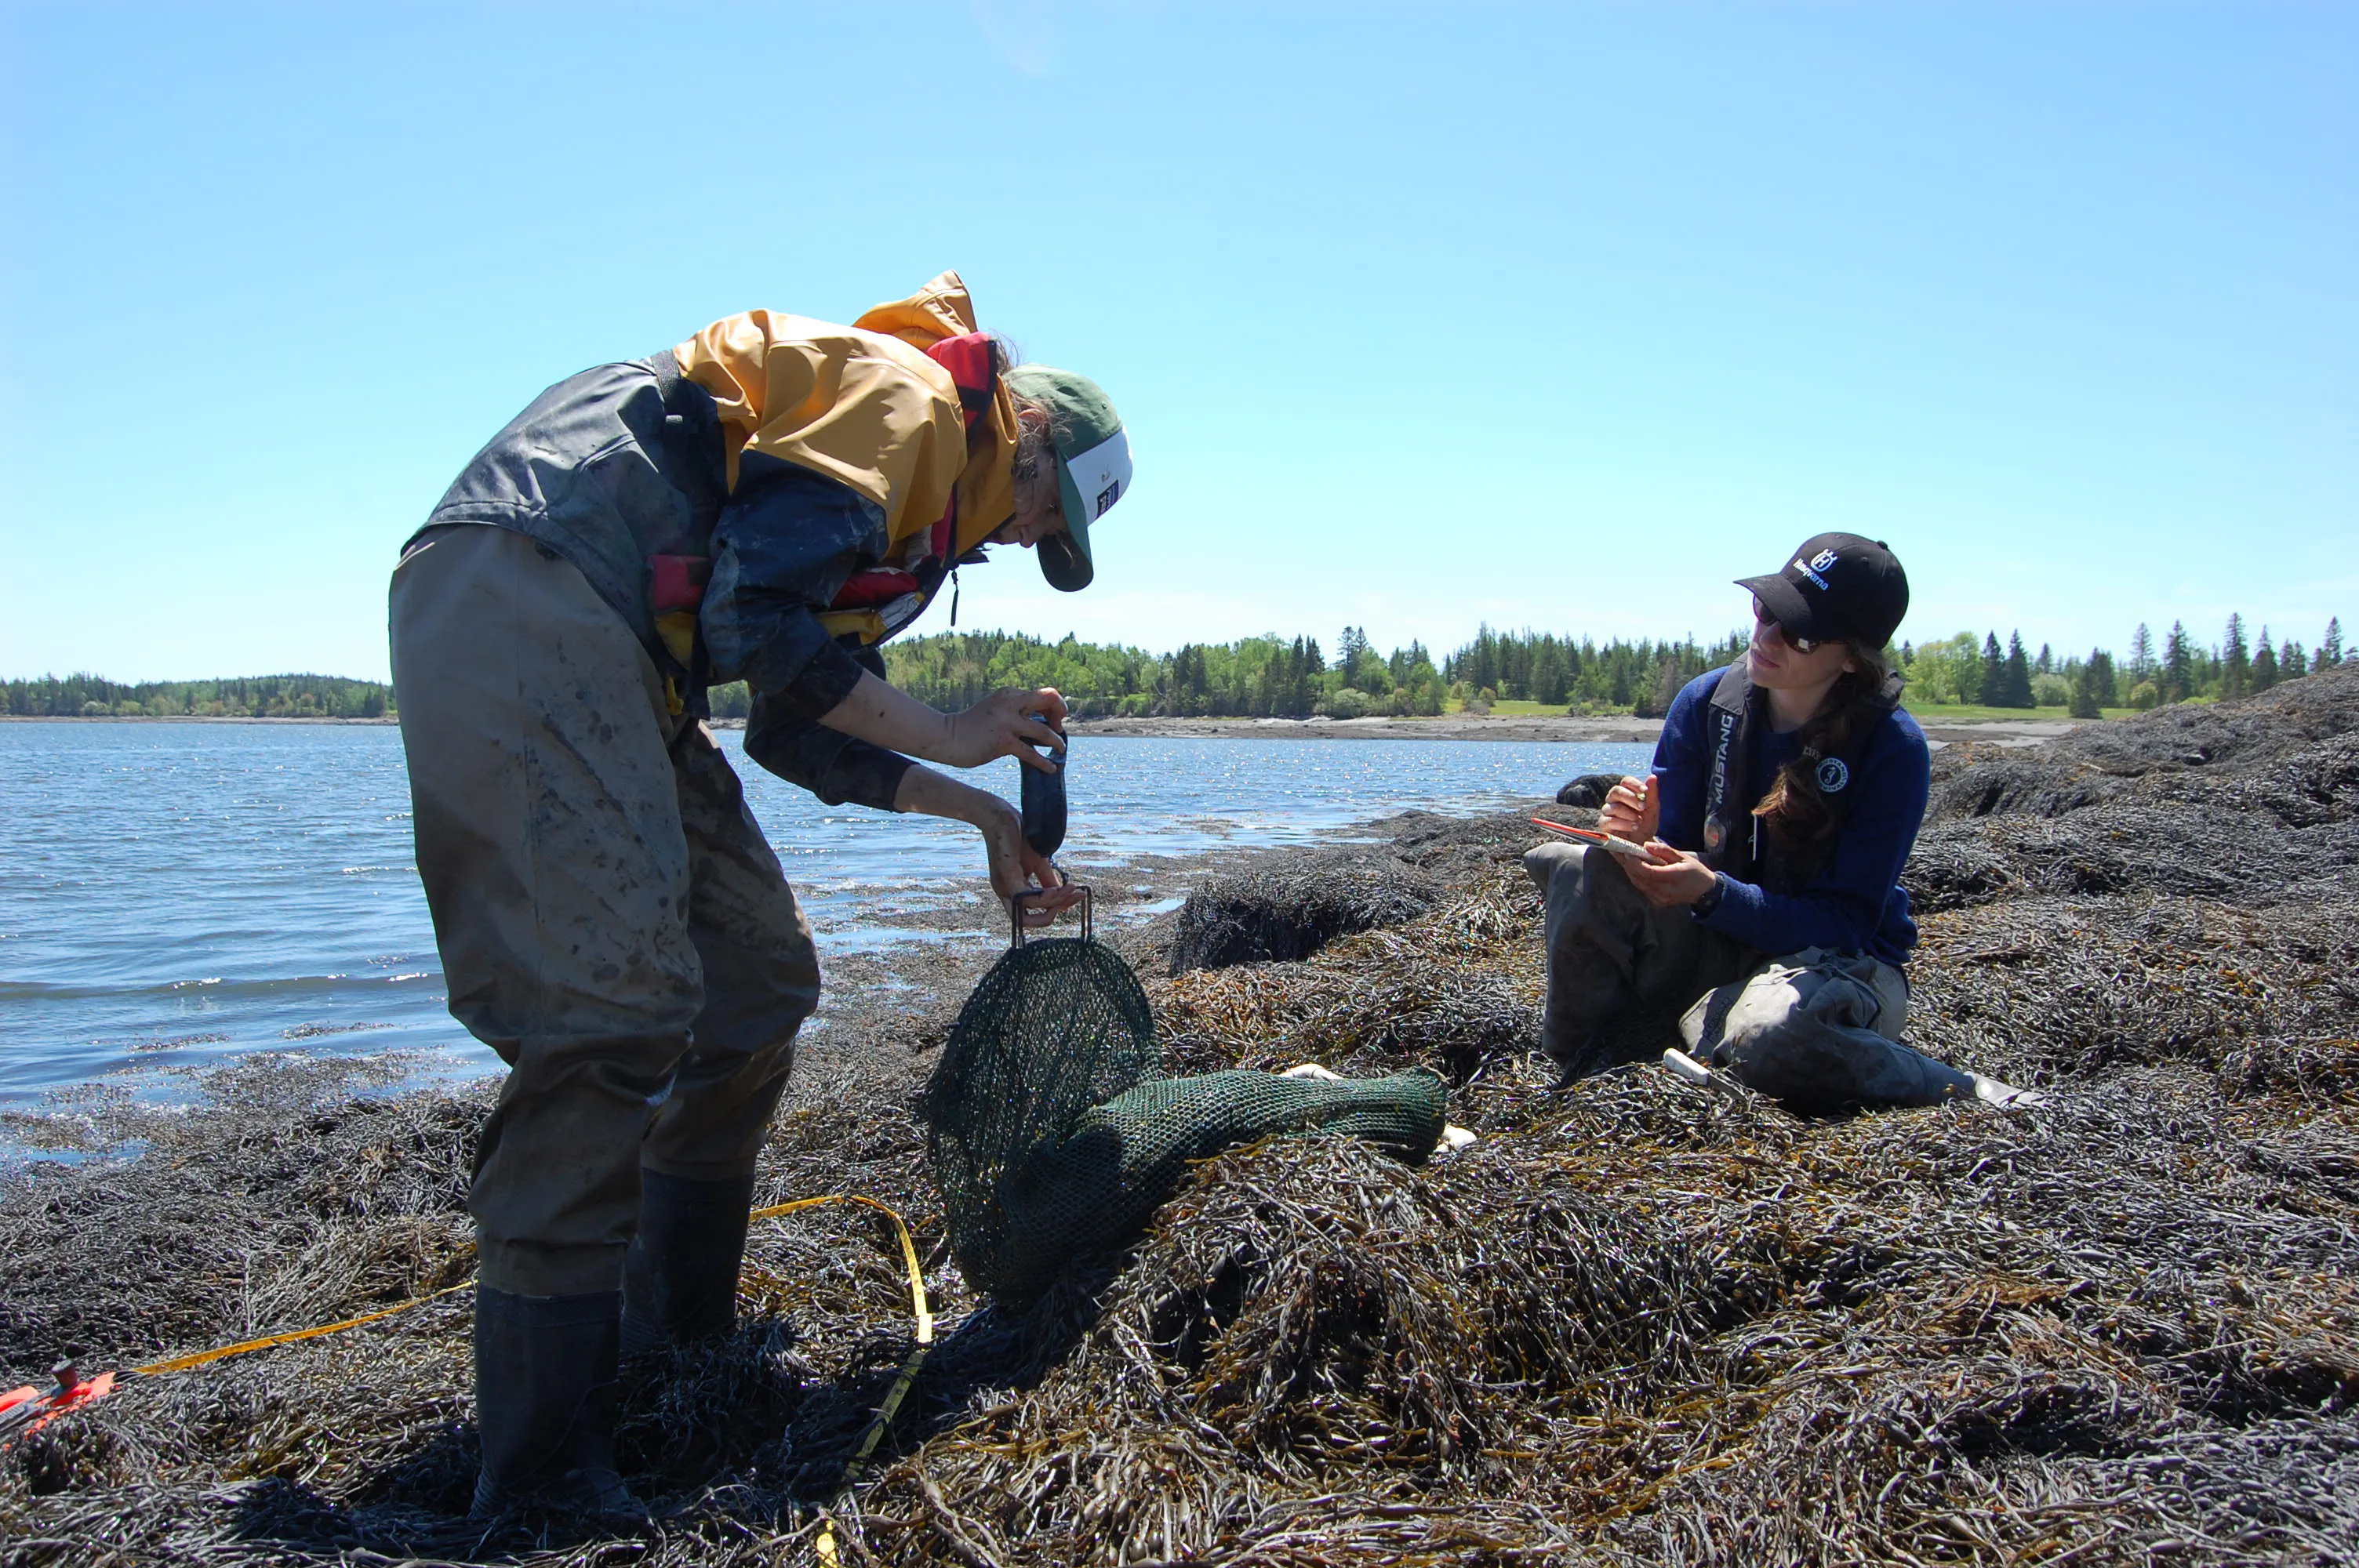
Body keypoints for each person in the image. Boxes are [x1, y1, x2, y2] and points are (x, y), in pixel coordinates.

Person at [387, 272, 1129, 1516]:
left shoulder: (910, 489)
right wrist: (953, 731)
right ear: (1033, 439)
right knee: (609, 1012)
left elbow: (791, 729)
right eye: (1039, 521)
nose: (1012, 544)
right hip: (532, 581)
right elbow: (758, 620)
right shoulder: (913, 411)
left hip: (629, 653)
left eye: (1042, 548)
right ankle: (541, 1475)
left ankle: (673, 1341)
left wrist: (988, 817)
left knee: (756, 984)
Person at [1522, 533, 2033, 1113]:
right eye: (1766, 611)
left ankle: (1961, 1088)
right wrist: (1640, 843)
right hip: (1718, 939)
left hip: (1838, 966)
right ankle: (1576, 1068)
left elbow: (1846, 922)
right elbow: (1682, 854)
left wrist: (1715, 894)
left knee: (1769, 1037)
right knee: (1579, 867)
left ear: (1850, 658)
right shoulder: (1707, 703)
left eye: (1798, 632)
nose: (1765, 639)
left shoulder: (1892, 749)